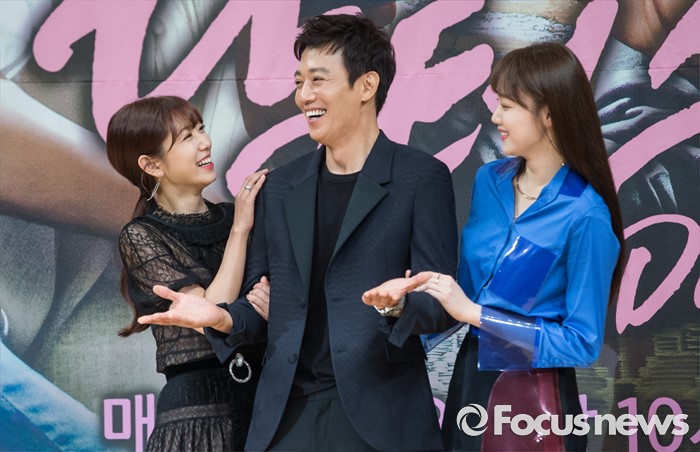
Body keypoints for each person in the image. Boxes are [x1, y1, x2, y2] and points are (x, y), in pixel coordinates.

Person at [139, 13, 458, 451]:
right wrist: (222, 317)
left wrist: (397, 305)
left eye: (318, 80)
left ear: (367, 86)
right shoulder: (281, 186)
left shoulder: (420, 178)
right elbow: (261, 304)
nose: (304, 95)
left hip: (381, 412)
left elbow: (440, 303)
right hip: (287, 415)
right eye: (299, 81)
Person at [364, 42, 626, 451]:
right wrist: (405, 299)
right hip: (471, 380)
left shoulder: (585, 213)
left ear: (549, 113)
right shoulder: (490, 181)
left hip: (535, 403)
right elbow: (468, 292)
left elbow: (581, 343)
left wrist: (475, 314)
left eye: (507, 106)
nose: (495, 116)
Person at [106, 95, 269, 451]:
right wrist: (240, 229)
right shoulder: (141, 236)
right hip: (197, 414)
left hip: (266, 400)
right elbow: (209, 314)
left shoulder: (238, 214)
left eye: (201, 129)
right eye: (187, 137)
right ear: (152, 165)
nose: (205, 142)